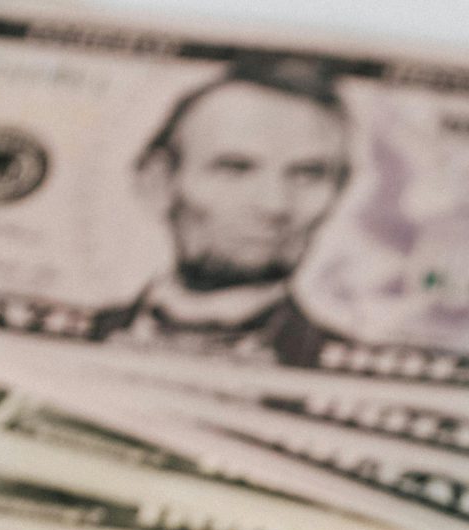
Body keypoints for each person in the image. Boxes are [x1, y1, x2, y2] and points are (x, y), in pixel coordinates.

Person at [95, 57, 353, 363]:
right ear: (158, 181)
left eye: (308, 174)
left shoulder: (350, 369)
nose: (275, 205)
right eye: (235, 169)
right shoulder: (86, 332)